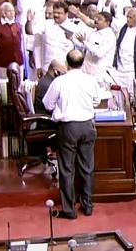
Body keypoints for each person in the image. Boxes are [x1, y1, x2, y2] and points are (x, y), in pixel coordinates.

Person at [42, 50, 101, 219]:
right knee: (87, 168)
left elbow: (47, 104)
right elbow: (96, 101)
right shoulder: (91, 80)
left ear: (66, 64)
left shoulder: (59, 81)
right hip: (88, 127)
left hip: (68, 128)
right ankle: (87, 206)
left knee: (67, 169)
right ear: (82, 63)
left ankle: (69, 210)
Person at [26, 2, 83, 73]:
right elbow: (30, 31)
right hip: (47, 69)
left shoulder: (74, 28)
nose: (56, 15)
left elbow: (80, 49)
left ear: (66, 14)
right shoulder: (46, 24)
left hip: (65, 69)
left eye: (59, 13)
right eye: (54, 12)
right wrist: (29, 21)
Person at [73, 12, 116, 84]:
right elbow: (84, 47)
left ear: (107, 23)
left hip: (99, 75)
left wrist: (85, 42)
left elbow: (99, 53)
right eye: (96, 18)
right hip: (86, 71)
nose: (96, 20)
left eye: (99, 19)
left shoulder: (109, 36)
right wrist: (71, 38)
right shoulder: (94, 31)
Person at [0, 3, 24, 71]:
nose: (12, 13)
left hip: (18, 61)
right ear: (3, 13)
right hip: (4, 64)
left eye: (13, 11)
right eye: (9, 11)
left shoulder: (17, 25)